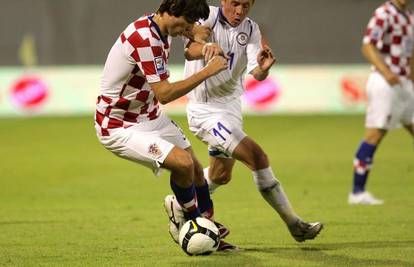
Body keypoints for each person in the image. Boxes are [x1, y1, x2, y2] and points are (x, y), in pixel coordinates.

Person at [164, 0, 323, 244]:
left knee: (220, 175)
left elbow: (256, 73)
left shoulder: (250, 29)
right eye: (235, 4)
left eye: (246, 6)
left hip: (231, 109)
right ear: (224, 1)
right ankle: (294, 224)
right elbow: (189, 50)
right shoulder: (207, 16)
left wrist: (263, 68)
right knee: (256, 156)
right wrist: (206, 48)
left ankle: (179, 201)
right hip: (205, 111)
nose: (239, 11)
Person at [94, 0, 230, 249]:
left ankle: (208, 226)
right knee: (182, 163)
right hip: (118, 125)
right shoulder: (145, 38)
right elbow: (165, 93)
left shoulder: (161, 26)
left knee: (196, 171)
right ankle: (192, 223)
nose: (187, 29)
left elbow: (191, 37)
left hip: (149, 115)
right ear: (174, 11)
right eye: (187, 23)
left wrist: (198, 35)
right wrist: (208, 71)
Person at [348, 0, 414, 205]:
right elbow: (367, 46)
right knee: (375, 134)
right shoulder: (384, 14)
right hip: (385, 83)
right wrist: (386, 73)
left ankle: (358, 192)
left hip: (405, 84)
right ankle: (357, 193)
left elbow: (409, 52)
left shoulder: (409, 17)